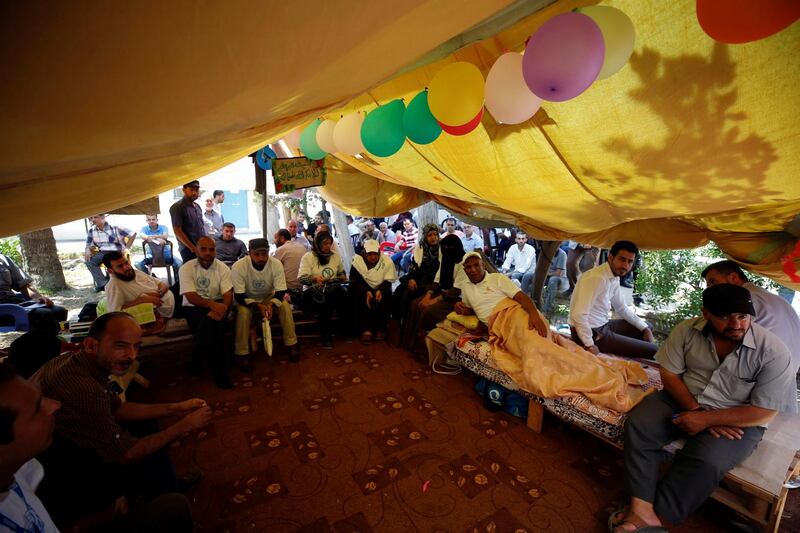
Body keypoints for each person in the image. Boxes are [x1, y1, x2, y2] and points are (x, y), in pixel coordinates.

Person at [612, 284, 795, 532]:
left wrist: (708, 420)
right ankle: (641, 510)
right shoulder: (687, 330)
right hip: (683, 397)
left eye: (742, 316)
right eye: (724, 316)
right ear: (706, 313)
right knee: (640, 425)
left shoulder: (774, 352)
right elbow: (669, 372)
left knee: (708, 460)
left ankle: (656, 517)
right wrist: (696, 412)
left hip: (739, 417)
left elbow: (764, 412)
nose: (736, 324)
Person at [32, 313, 211, 527]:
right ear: (91, 344)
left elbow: (118, 408)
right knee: (150, 448)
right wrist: (185, 425)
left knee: (147, 425)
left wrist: (174, 408)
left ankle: (163, 488)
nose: (131, 355)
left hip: (65, 450)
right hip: (66, 475)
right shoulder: (85, 391)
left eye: (136, 346)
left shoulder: (70, 361)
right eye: (121, 346)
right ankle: (164, 503)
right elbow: (127, 453)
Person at [456, 252, 652, 412]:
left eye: (476, 265)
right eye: (469, 267)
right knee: (539, 353)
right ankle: (597, 373)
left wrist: (534, 315)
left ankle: (603, 378)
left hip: (518, 315)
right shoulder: (466, 289)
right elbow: (475, 309)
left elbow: (521, 297)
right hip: (500, 326)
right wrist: (465, 311)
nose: (473, 269)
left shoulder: (497, 279)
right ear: (464, 270)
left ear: (483, 265)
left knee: (539, 350)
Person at [702, 259, 800, 413]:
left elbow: (723, 340)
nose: (710, 289)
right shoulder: (775, 299)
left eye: (713, 282)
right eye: (708, 285)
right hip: (786, 379)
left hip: (763, 382)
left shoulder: (747, 299)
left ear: (733, 278)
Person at [569, 240, 657, 359]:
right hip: (592, 332)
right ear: (611, 257)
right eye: (622, 259)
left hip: (603, 325)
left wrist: (644, 328)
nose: (625, 265)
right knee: (654, 351)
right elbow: (578, 315)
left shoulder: (613, 275)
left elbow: (621, 308)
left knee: (646, 327)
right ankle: (618, 345)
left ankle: (623, 344)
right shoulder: (598, 278)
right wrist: (589, 344)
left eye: (630, 261)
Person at [232, 238, 301, 367]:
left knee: (285, 306)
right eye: (256, 254)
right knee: (243, 313)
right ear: (249, 253)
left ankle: (292, 343)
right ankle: (242, 352)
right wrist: (257, 305)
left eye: (264, 254)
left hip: (268, 297)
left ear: (268, 252)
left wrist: (270, 305)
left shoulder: (275, 264)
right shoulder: (239, 266)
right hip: (247, 298)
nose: (261, 258)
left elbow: (281, 290)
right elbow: (239, 295)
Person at [179, 236, 234, 388]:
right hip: (193, 306)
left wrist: (223, 308)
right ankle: (221, 373)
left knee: (213, 325)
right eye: (203, 249)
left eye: (211, 249)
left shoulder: (222, 268)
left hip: (218, 304)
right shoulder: (186, 268)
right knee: (213, 327)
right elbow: (191, 296)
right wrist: (213, 306)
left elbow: (228, 294)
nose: (207, 253)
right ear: (196, 249)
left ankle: (198, 357)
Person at [400, 234, 466, 351]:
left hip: (455, 298)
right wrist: (428, 296)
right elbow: (437, 280)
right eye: (444, 247)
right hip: (441, 293)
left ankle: (419, 346)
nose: (446, 250)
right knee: (415, 303)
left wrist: (433, 301)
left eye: (450, 247)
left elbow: (456, 290)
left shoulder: (463, 263)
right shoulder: (444, 259)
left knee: (428, 311)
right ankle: (407, 341)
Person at [297, 231, 349, 348]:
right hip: (313, 291)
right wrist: (314, 278)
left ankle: (346, 331)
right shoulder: (309, 257)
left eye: (329, 243)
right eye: (324, 244)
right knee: (325, 303)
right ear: (317, 244)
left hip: (332, 287)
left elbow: (341, 272)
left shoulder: (335, 255)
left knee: (345, 298)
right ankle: (326, 337)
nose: (327, 246)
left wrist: (341, 276)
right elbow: (301, 278)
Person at [0, 253, 67, 329]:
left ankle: (57, 340)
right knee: (44, 315)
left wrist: (40, 298)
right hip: (4, 307)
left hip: (14, 302)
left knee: (59, 311)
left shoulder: (3, 259)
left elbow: (24, 286)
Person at [103, 251, 175, 321]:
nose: (127, 267)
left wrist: (160, 293)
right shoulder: (113, 286)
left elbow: (159, 283)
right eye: (120, 266)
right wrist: (141, 300)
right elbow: (115, 313)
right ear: (110, 271)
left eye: (126, 263)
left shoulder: (134, 272)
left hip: (168, 296)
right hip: (166, 309)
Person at [349, 240, 396, 345]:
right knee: (357, 295)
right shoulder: (357, 262)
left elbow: (388, 281)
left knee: (386, 295)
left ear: (379, 253)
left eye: (375, 254)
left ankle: (380, 328)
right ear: (364, 253)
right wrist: (366, 291)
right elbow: (355, 281)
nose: (373, 257)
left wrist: (380, 290)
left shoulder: (386, 261)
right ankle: (366, 329)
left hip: (381, 288)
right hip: (363, 289)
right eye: (369, 254)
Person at [392, 224, 440, 325]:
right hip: (418, 276)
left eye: (435, 234)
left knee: (412, 294)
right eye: (430, 235)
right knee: (399, 290)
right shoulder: (420, 248)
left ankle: (407, 321)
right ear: (425, 236)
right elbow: (414, 267)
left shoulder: (442, 250)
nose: (433, 237)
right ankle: (397, 319)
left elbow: (439, 272)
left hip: (433, 281)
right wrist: (411, 279)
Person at [84, 214, 135, 292]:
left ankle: (113, 284)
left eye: (95, 217)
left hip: (116, 252)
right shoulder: (92, 230)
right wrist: (87, 250)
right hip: (103, 252)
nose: (93, 219)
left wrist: (126, 248)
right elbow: (88, 244)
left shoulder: (115, 227)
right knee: (89, 261)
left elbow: (133, 233)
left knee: (111, 264)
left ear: (103, 217)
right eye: (91, 218)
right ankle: (103, 284)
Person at [521, 245, 568, 316]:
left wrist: (545, 273)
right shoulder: (544, 253)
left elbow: (558, 273)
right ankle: (523, 301)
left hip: (559, 278)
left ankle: (547, 309)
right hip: (545, 275)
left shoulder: (562, 254)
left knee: (553, 280)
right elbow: (538, 267)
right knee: (527, 276)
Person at [169, 180, 206, 263]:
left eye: (196, 190)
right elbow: (177, 231)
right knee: (191, 273)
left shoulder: (197, 206)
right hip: (188, 249)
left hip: (201, 247)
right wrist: (193, 248)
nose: (194, 193)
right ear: (184, 190)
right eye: (191, 190)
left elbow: (201, 228)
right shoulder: (177, 207)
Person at [273, 228, 306, 300]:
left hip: (289, 290)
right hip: (304, 287)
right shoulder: (302, 247)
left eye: (276, 238)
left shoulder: (281, 249)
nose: (274, 241)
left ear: (282, 238)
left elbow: (273, 270)